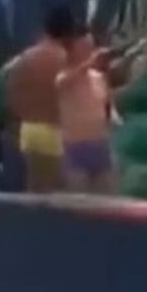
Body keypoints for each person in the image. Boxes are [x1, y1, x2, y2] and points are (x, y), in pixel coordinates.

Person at [2, 6, 74, 193]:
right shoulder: (65, 60)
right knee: (60, 195)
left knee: (34, 191)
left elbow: (10, 92)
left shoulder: (27, 57)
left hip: (29, 131)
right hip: (55, 133)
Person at [56, 24, 116, 194]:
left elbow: (107, 105)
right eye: (84, 46)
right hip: (75, 149)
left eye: (91, 46)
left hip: (100, 146)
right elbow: (63, 83)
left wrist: (113, 118)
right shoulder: (64, 77)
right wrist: (91, 61)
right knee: (80, 203)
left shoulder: (99, 78)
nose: (89, 50)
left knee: (108, 202)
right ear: (72, 49)